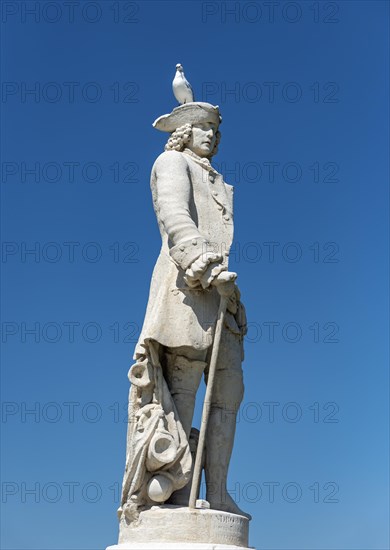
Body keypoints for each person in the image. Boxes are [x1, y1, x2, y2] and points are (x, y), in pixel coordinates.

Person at [119, 102, 249, 524]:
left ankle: (221, 492)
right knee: (184, 387)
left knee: (229, 392)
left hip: (222, 296)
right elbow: (175, 217)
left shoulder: (218, 181)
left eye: (214, 128)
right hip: (187, 287)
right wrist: (208, 270)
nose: (209, 135)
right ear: (185, 132)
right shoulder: (170, 161)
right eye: (202, 127)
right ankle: (176, 487)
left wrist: (228, 289)